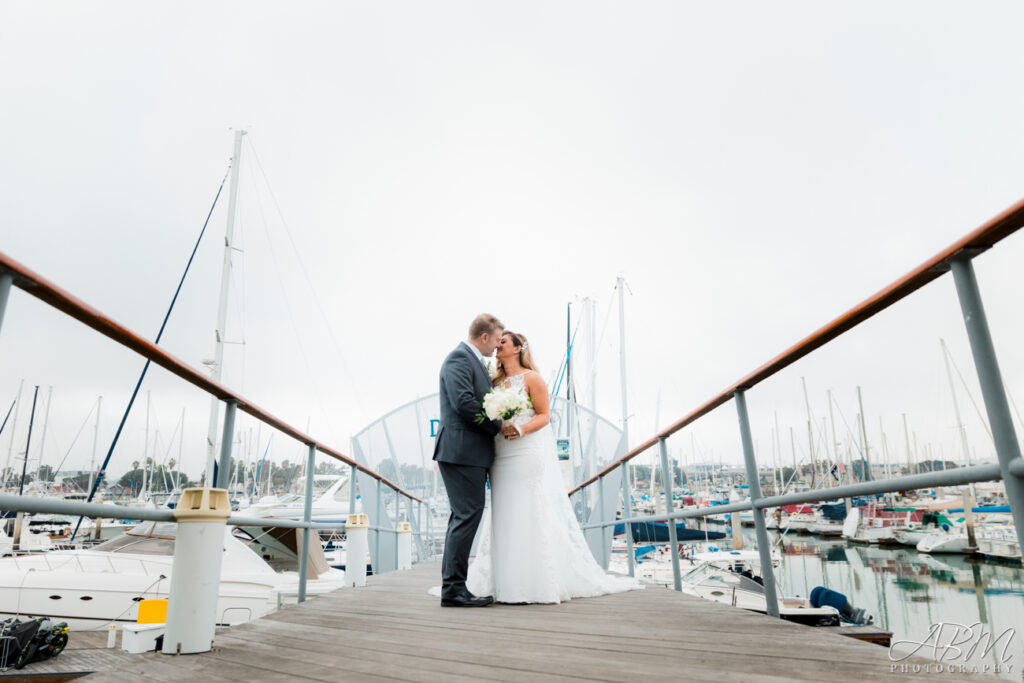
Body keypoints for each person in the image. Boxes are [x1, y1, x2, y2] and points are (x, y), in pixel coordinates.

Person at [466, 330, 642, 603]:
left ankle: (533, 579)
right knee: (503, 511)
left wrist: (521, 429)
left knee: (528, 507)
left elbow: (545, 416)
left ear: (517, 348)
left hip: (525, 451)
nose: (497, 346)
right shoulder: (494, 381)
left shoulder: (532, 378)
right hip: (500, 455)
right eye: (497, 342)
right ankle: (502, 579)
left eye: (503, 342)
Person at [432, 313, 515, 607]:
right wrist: (497, 425)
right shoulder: (458, 359)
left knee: (464, 516)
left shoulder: (472, 361)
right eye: (495, 340)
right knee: (466, 516)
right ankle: (453, 590)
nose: (496, 347)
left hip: (468, 452)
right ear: (483, 337)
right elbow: (464, 403)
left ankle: (454, 587)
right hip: (461, 451)